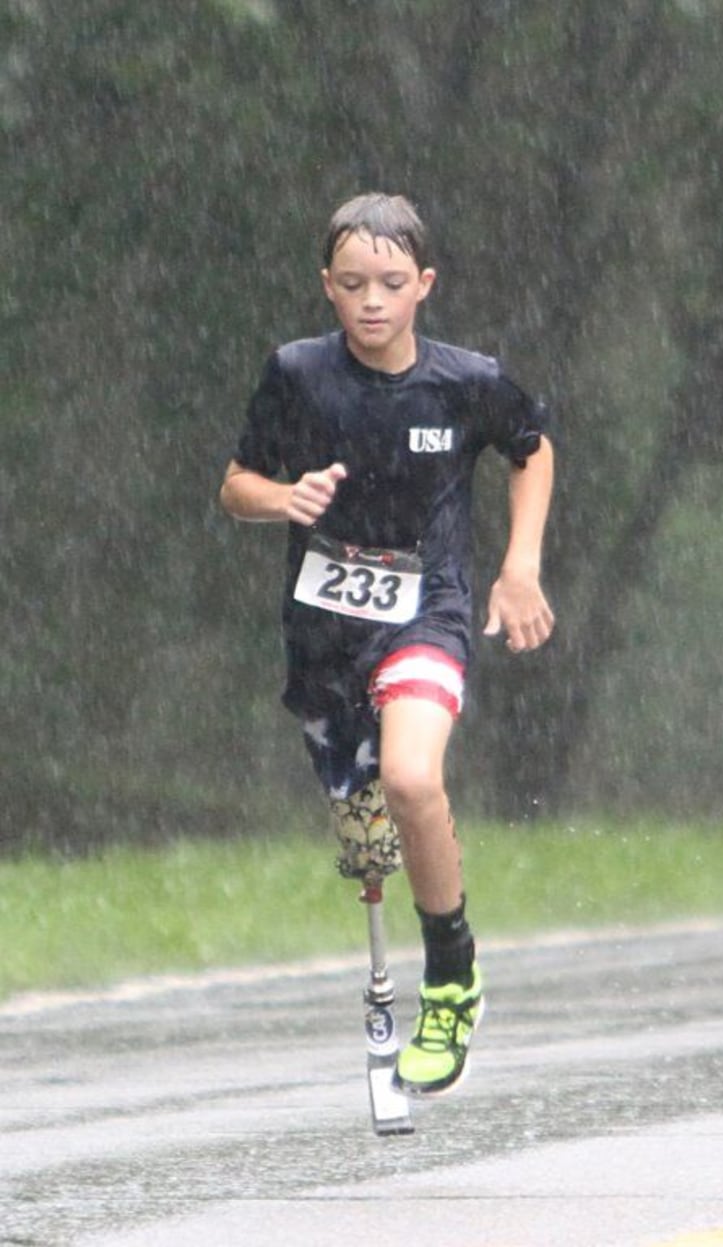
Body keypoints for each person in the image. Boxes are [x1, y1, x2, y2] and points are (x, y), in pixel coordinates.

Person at [219, 192, 555, 1097]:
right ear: (328, 287)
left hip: (427, 612)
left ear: (424, 287)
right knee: (366, 825)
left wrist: (519, 566)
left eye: (393, 283)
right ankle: (376, 838)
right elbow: (235, 482)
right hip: (326, 633)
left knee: (412, 777)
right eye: (355, 283)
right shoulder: (295, 374)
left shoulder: (464, 381)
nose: (373, 300)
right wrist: (278, 499)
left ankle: (451, 978)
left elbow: (531, 446)